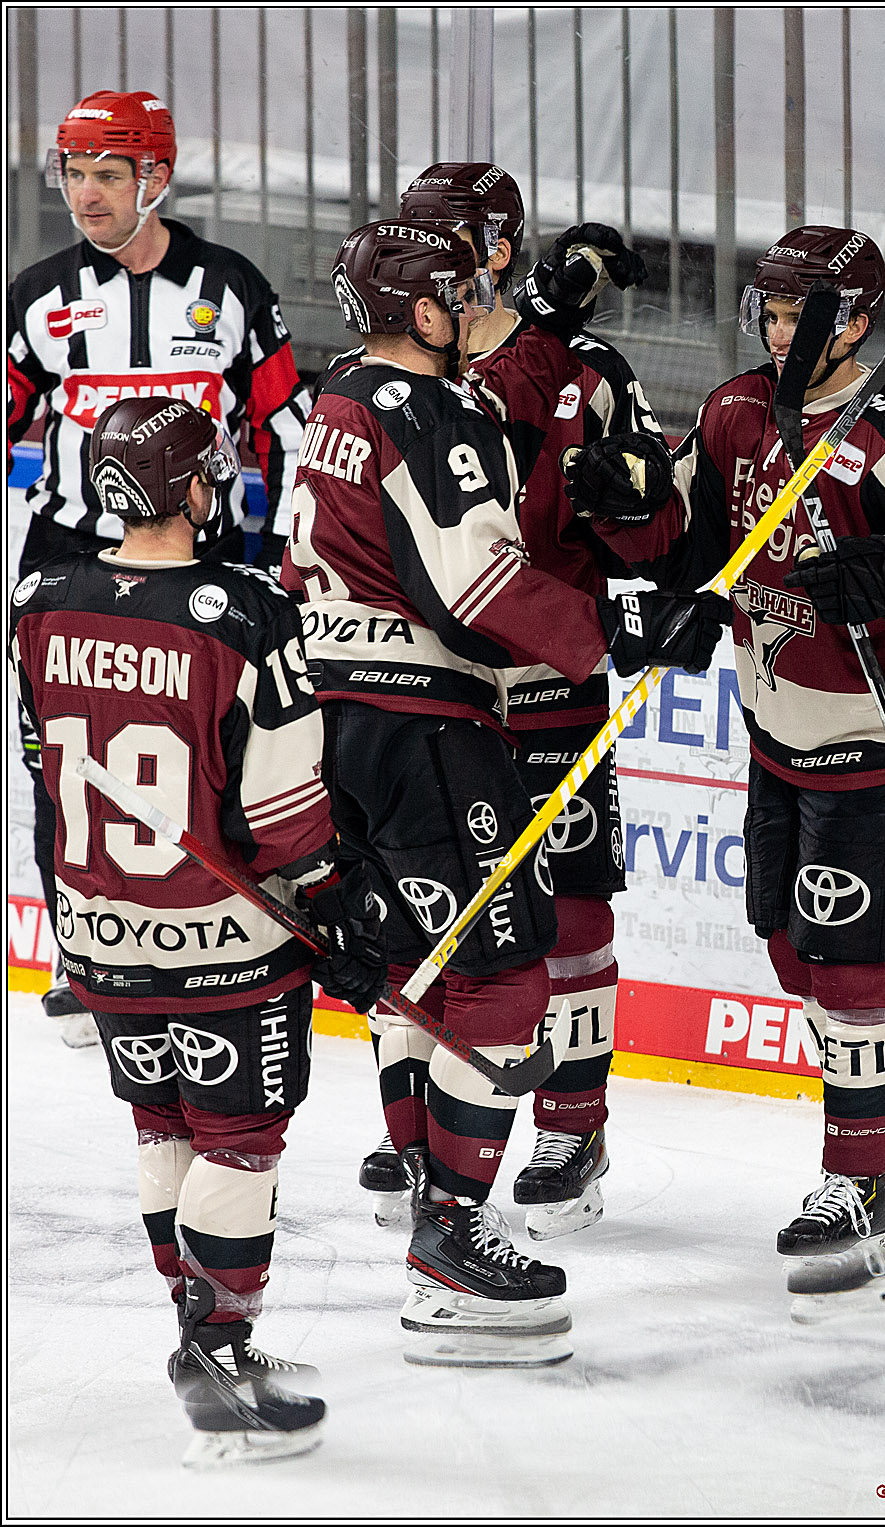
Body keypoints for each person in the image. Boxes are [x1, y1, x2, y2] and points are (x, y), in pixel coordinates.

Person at [281, 217, 730, 1362]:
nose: (474, 307)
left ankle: (430, 1182)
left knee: (417, 964)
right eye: (460, 295)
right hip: (426, 722)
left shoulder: (336, 400)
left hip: (336, 718)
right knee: (502, 976)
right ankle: (453, 1245)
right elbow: (478, 582)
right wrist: (616, 624)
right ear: (427, 310)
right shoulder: (427, 413)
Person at [566, 224, 885, 1263]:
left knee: (850, 951)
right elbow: (686, 540)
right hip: (776, 731)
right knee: (786, 939)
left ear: (856, 321)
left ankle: (854, 1187)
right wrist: (631, 511)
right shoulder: (731, 412)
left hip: (879, 732)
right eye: (764, 312)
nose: (775, 332)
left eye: (793, 313)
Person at [9, 395, 386, 1464]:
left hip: (96, 930)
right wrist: (336, 912)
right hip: (225, 936)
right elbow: (279, 817)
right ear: (189, 486)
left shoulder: (37, 597)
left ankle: (197, 1329)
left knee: (164, 1126)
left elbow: (46, 760)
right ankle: (218, 1352)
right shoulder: (245, 614)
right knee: (238, 1138)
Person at [351, 162, 683, 1241]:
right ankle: (430, 1125)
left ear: (494, 249)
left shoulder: (586, 368)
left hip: (547, 679)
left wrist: (634, 507)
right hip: (437, 687)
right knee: (418, 912)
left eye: (454, 237)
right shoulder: (398, 372)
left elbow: (664, 536)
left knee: (573, 906)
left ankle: (569, 1122)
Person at [7, 88, 311, 1039]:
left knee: (212, 755)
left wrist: (290, 554)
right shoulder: (37, 297)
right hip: (68, 556)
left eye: (107, 174)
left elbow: (286, 427)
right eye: (73, 173)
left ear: (158, 177)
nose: (85, 195)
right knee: (59, 762)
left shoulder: (232, 288)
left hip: (201, 559)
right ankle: (83, 942)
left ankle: (213, 927)